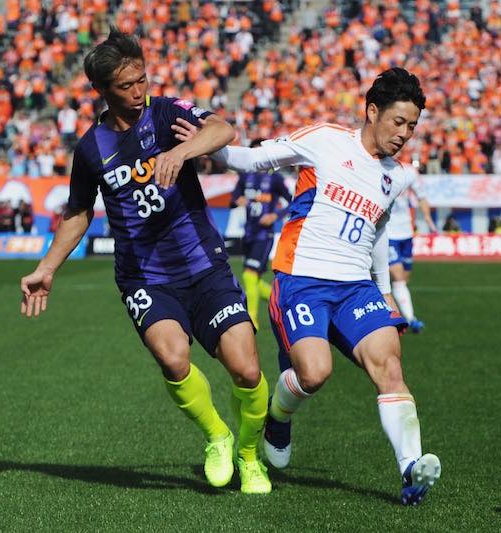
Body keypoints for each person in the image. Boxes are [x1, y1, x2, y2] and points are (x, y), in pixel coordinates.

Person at [18, 29, 272, 494]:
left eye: (142, 80)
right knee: (173, 359)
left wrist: (181, 150)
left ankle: (250, 456)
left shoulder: (166, 111)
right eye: (126, 85)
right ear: (102, 89)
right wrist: (47, 267)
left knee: (247, 370)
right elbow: (78, 212)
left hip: (203, 263)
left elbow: (223, 129)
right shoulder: (91, 148)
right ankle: (218, 436)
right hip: (145, 277)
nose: (138, 92)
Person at [174, 67, 441, 505]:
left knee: (390, 367)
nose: (404, 134)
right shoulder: (325, 140)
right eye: (398, 122)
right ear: (372, 111)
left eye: (412, 126)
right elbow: (254, 159)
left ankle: (411, 469)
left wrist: (384, 289)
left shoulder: (396, 176)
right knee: (314, 373)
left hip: (356, 287)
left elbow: (377, 232)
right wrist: (206, 146)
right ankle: (278, 419)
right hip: (302, 281)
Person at [228, 139, 292, 330]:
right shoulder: (245, 176)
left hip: (264, 235)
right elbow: (234, 197)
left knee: (249, 276)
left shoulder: (275, 179)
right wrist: (237, 200)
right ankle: (282, 301)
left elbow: (292, 202)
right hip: (248, 233)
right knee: (254, 280)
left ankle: (252, 319)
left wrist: (275, 215)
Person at [386, 174, 437, 334]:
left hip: (406, 233)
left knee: (404, 279)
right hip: (388, 234)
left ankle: (393, 309)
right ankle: (410, 319)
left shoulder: (409, 173)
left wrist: (428, 218)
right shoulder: (379, 168)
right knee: (399, 277)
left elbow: (422, 197)